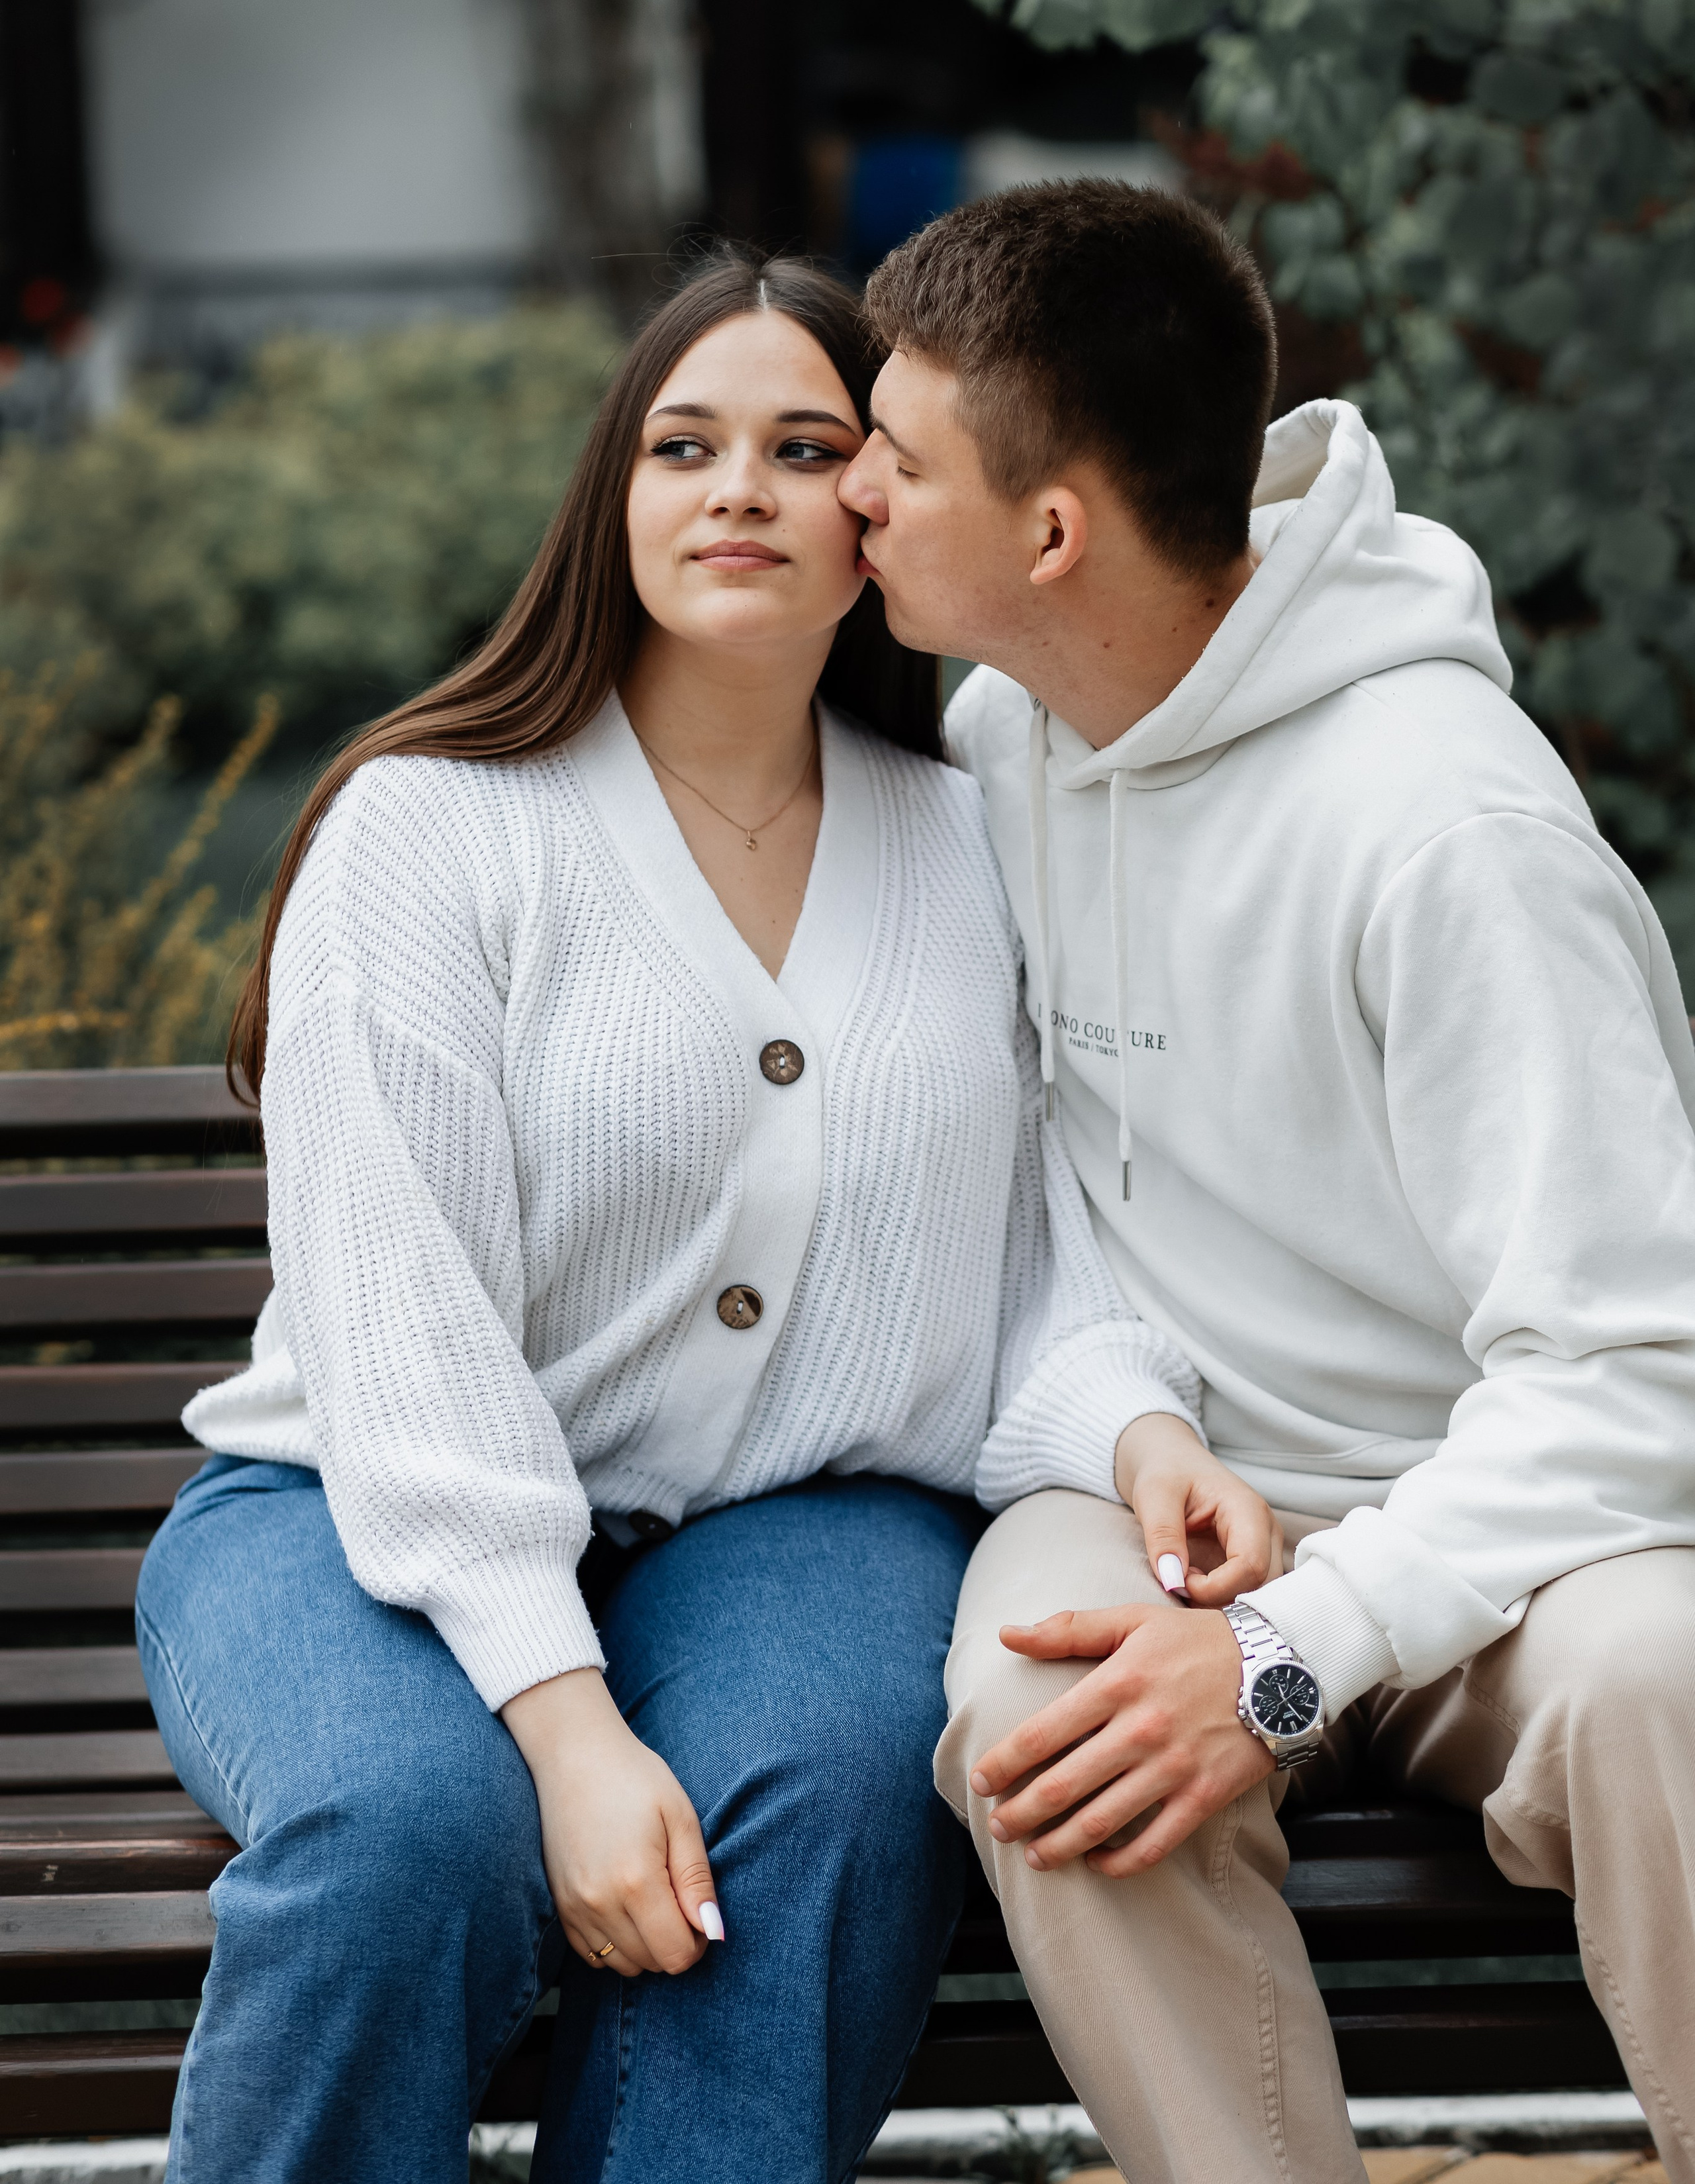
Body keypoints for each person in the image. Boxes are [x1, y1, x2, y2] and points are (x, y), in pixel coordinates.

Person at [135, 246, 1271, 2184]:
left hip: (793, 1523)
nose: (737, 486)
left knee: (824, 1804)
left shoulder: (968, 837)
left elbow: (1023, 1268)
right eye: (684, 443)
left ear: (883, 513)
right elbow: (397, 1337)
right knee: (414, 1839)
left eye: (805, 444)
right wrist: (566, 1729)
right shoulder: (432, 829)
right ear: (617, 496)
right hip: (360, 1517)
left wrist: (1139, 1433)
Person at [837, 180, 1695, 2184]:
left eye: (893, 455)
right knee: (1040, 1730)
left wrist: (1305, 1648)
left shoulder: (1447, 832)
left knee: (1674, 1687)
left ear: (1050, 533)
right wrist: (1138, 1433)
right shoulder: (1009, 741)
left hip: (1510, 1531)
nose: (854, 492)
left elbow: (1647, 1364)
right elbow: (1043, 1200)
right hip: (1178, 1498)